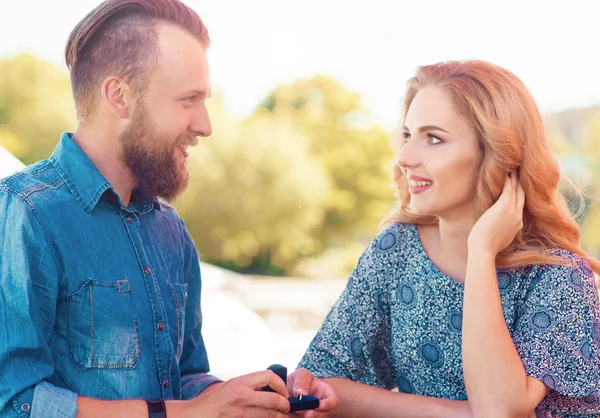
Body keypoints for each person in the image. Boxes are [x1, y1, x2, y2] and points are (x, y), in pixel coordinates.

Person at [0, 1, 338, 417]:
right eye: (189, 99)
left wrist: (253, 397)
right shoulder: (24, 212)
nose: (205, 124)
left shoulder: (170, 230)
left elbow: (185, 378)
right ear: (119, 97)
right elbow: (14, 401)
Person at [295, 60, 600, 417]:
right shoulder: (396, 249)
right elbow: (318, 385)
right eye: (408, 136)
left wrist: (482, 252)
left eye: (434, 138)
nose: (405, 158)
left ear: (496, 154)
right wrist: (454, 413)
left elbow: (498, 408)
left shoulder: (557, 276)